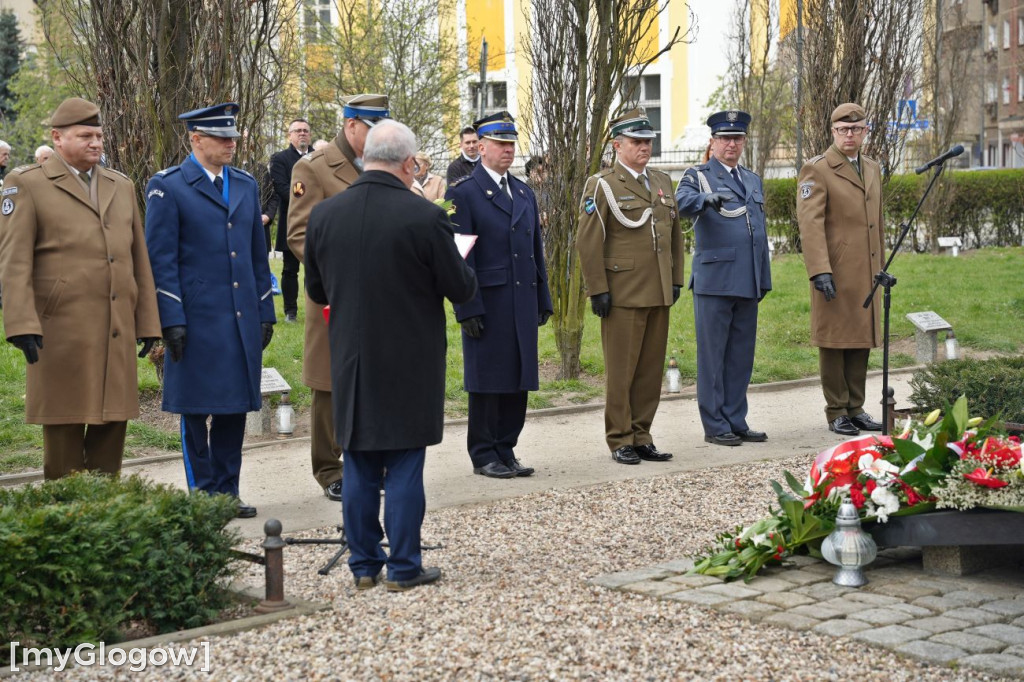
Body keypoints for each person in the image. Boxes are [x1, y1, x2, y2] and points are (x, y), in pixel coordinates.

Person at [305, 120, 477, 592]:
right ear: (409, 164)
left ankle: (363, 566)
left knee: (358, 460)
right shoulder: (423, 217)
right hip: (409, 358)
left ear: (366, 158)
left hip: (351, 358)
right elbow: (460, 287)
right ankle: (403, 566)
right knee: (403, 462)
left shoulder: (325, 215)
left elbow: (317, 289)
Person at [0, 97, 161, 479]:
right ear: (57, 138)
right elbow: (13, 260)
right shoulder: (26, 184)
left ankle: (106, 513)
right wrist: (21, 323)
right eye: (85, 135)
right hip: (60, 329)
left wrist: (149, 322)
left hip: (115, 324)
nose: (96, 143)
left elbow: (139, 259)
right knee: (64, 422)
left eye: (100, 135)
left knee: (113, 421)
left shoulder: (120, 186)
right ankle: (65, 514)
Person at [144, 102, 276, 518]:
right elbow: (160, 260)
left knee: (234, 407)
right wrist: (171, 319)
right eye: (222, 137)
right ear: (195, 139)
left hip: (239, 318)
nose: (231, 143)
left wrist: (265, 310)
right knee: (195, 410)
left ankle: (227, 489)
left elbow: (258, 254)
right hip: (196, 319)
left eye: (233, 137)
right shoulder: (169, 186)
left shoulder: (244, 184)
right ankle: (202, 493)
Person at [288, 94, 390, 502]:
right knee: (330, 385)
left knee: (373, 380)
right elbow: (299, 235)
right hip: (334, 296)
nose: (379, 134)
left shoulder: (384, 165)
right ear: (351, 126)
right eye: (372, 127)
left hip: (381, 295)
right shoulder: (314, 167)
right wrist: (343, 274)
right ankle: (330, 468)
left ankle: (367, 459)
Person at [445, 112, 553, 479]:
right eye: (500, 144)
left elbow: (536, 249)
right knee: (489, 379)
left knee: (518, 377)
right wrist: (466, 306)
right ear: (482, 147)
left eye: (511, 144)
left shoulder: (523, 191)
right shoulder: (463, 193)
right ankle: (483, 453)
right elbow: (459, 256)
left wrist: (544, 298)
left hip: (521, 298)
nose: (508, 151)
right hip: (486, 302)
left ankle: (506, 448)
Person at [576, 107, 684, 465]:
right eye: (636, 142)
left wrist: (677, 279)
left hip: (658, 288)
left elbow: (675, 237)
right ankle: (619, 438)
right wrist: (597, 289)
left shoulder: (662, 181)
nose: (644, 148)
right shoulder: (603, 184)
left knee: (651, 370)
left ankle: (642, 434)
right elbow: (588, 240)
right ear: (617, 145)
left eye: (647, 141)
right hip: (622, 292)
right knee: (621, 372)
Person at [675, 110, 772, 446]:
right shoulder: (697, 175)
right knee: (713, 357)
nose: (732, 144)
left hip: (747, 278)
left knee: (740, 356)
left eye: (737, 138)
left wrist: (764, 276)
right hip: (715, 280)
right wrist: (705, 199)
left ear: (744, 142)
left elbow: (759, 230)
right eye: (725, 138)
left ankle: (736, 418)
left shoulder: (752, 179)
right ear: (712, 142)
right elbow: (681, 203)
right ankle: (715, 424)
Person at [797, 102, 885, 437]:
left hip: (866, 271)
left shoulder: (872, 167)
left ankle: (856, 407)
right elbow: (810, 224)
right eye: (843, 130)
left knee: (860, 338)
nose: (850, 135)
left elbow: (876, 221)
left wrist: (881, 263)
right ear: (833, 132)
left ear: (865, 131)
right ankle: (837, 410)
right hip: (834, 271)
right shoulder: (817, 169)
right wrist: (820, 270)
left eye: (856, 129)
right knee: (834, 341)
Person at [268, 118, 312, 322]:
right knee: (290, 268)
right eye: (298, 131)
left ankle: (314, 308)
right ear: (290, 135)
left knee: (316, 269)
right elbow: (282, 188)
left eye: (305, 130)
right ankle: (290, 311)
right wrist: (310, 199)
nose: (302, 134)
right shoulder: (280, 159)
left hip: (317, 220)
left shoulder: (318, 157)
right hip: (292, 220)